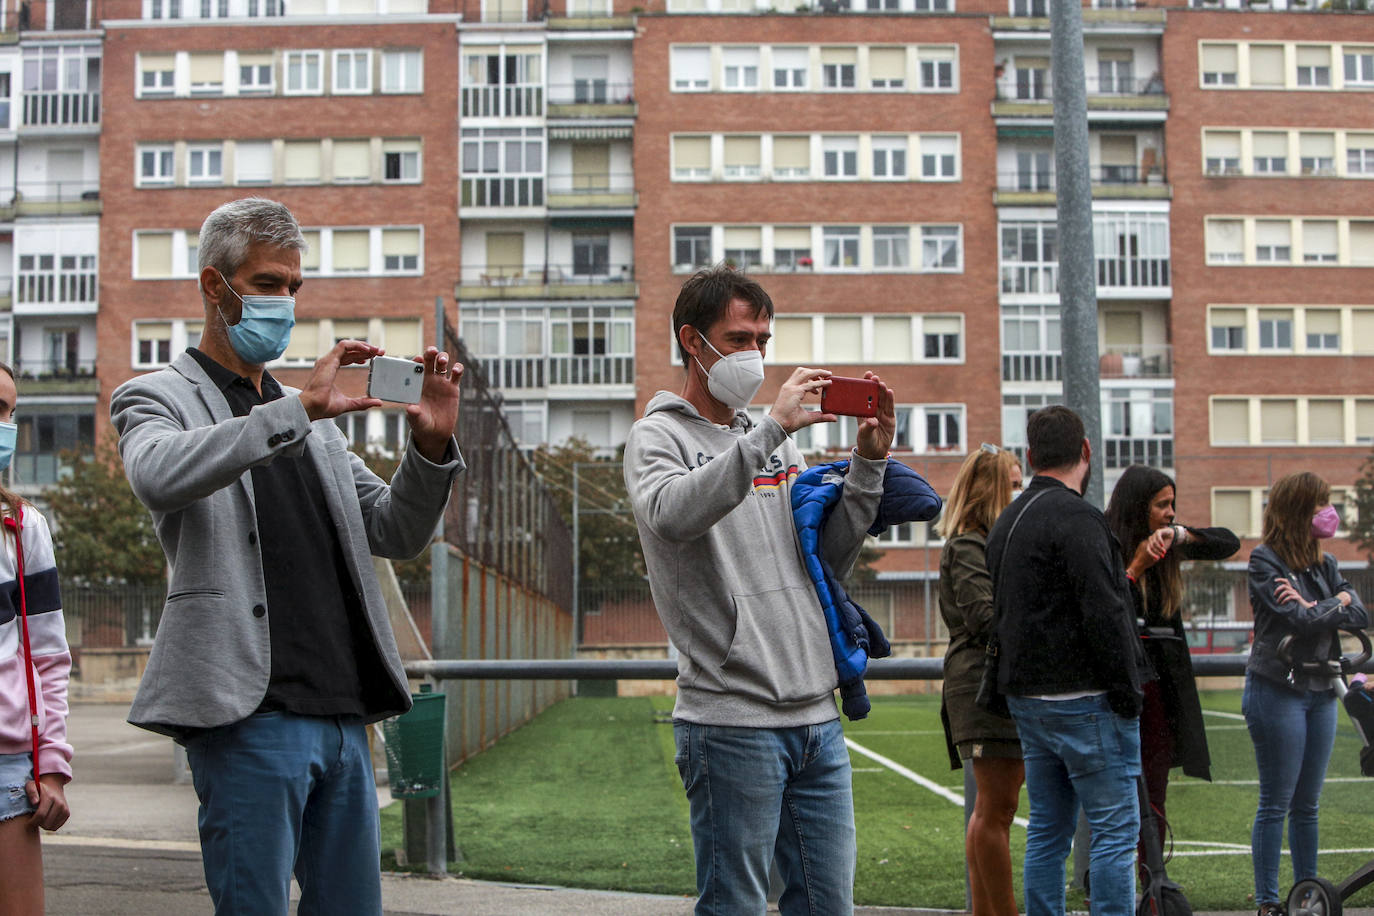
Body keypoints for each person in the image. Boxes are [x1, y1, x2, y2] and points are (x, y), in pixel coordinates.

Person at [110, 198, 465, 915]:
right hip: (251, 717)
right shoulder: (156, 396)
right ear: (216, 286)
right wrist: (295, 411)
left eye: (293, 289)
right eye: (269, 284)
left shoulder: (315, 417)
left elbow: (393, 531)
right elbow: (158, 472)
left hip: (344, 715)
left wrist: (429, 447)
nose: (286, 303)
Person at [623, 265, 895, 916]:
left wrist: (869, 466)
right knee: (735, 907)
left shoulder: (773, 444)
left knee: (828, 907)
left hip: (817, 721)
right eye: (739, 339)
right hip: (729, 722)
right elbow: (674, 514)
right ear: (693, 340)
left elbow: (821, 560)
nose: (755, 355)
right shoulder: (656, 437)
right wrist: (770, 429)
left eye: (763, 342)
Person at [985, 405, 1147, 916]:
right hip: (1086, 699)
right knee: (1116, 831)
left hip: (1027, 699)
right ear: (1086, 452)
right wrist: (1128, 693)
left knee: (1048, 834)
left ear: (1031, 455)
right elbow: (1107, 613)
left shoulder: (1007, 520)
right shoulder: (1081, 518)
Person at [1244, 471, 1367, 916]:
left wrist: (1322, 605)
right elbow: (1301, 620)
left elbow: (1359, 611)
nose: (1328, 513)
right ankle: (1268, 902)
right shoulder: (1264, 561)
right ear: (1299, 511)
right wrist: (1334, 604)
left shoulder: (1325, 563)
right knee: (1276, 802)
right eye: (1320, 505)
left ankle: (1308, 896)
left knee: (1308, 805)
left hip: (1321, 689)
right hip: (1278, 688)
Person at [1105, 465, 1238, 867]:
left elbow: (1227, 543)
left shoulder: (1168, 543)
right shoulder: (1105, 544)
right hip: (1121, 688)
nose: (1169, 512)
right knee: (1115, 794)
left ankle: (1153, 886)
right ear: (1137, 507)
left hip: (1161, 686)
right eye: (1162, 505)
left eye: (1172, 504)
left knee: (1155, 790)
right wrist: (1138, 566)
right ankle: (1108, 885)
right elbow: (1107, 611)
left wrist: (1179, 535)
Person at [937, 443, 1024, 916]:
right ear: (992, 490)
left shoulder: (983, 543)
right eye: (1013, 484)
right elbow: (984, 617)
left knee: (992, 809)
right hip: (982, 687)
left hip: (989, 684)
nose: (1020, 491)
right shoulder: (969, 544)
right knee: (996, 809)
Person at [0, 362, 71, 915]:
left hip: (7, 769)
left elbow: (46, 658)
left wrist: (51, 767)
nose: (5, 425)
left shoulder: (23, 528)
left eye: (9, 412)